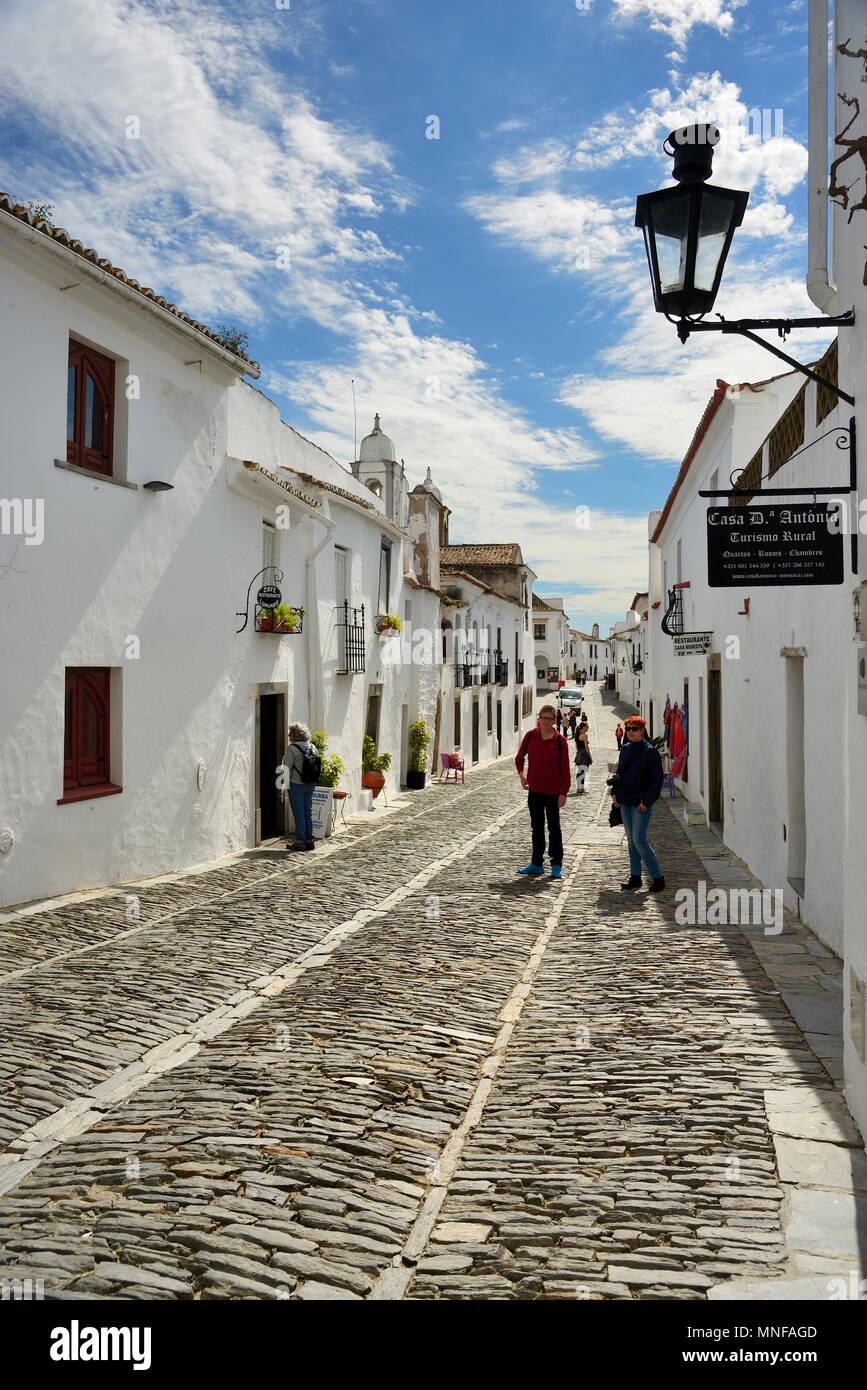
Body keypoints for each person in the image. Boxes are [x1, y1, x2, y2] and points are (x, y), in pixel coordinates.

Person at [515, 705, 570, 879]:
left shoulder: (560, 741)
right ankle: (536, 863)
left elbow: (565, 769)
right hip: (535, 791)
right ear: (539, 718)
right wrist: (522, 776)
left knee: (554, 828)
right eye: (542, 717)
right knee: (536, 828)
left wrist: (564, 793)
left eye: (548, 718)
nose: (545, 721)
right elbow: (519, 757)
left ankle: (556, 864)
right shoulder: (531, 736)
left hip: (553, 792)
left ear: (554, 721)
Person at [610, 716, 665, 892]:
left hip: (640, 803)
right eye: (628, 729)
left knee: (639, 839)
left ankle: (657, 877)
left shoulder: (650, 752)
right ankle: (635, 877)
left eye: (634, 729)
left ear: (642, 731)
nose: (631, 732)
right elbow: (619, 774)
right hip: (625, 801)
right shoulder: (625, 749)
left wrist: (647, 801)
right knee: (631, 841)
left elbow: (657, 781)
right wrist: (614, 794)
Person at [282, 722, 319, 851]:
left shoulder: (292, 749)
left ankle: (300, 841)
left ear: (295, 735)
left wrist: (285, 786)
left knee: (299, 813)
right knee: (307, 812)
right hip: (310, 783)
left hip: (297, 784)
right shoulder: (312, 747)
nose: (288, 735)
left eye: (290, 733)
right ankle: (310, 840)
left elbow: (286, 769)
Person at [574, 717, 592, 794]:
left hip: (579, 753)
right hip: (584, 754)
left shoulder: (577, 734)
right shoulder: (584, 735)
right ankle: (580, 788)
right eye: (587, 727)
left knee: (580, 771)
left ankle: (579, 788)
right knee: (583, 771)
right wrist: (590, 757)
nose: (588, 728)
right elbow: (586, 747)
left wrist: (579, 753)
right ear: (584, 727)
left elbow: (577, 746)